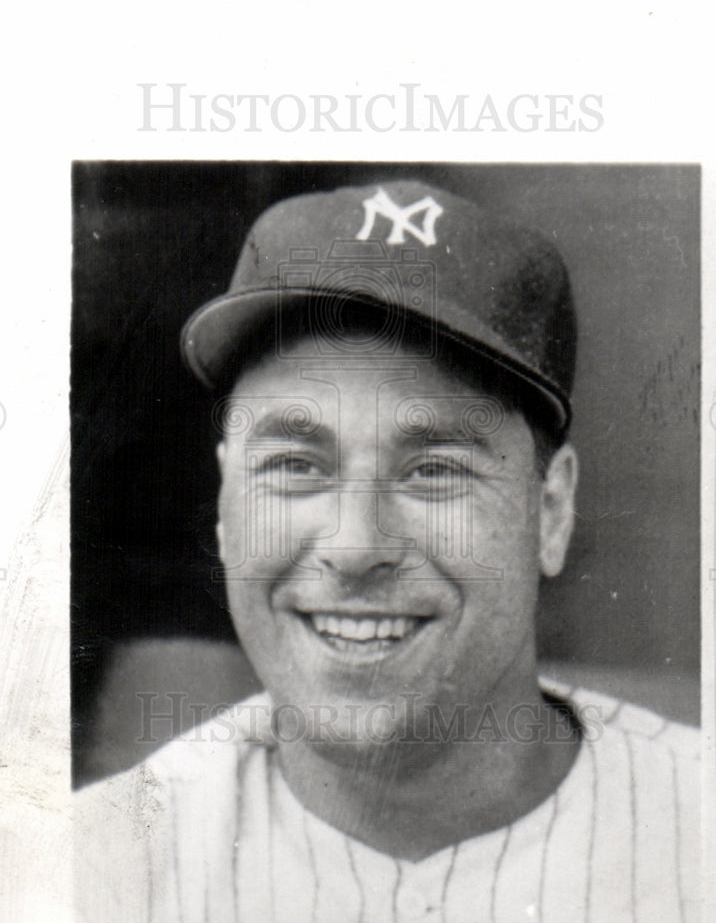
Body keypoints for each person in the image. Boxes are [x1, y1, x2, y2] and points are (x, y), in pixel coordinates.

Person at [75, 180, 699, 922]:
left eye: (433, 470)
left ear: (551, 511)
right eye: (294, 466)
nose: (355, 546)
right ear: (224, 507)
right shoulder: (84, 874)